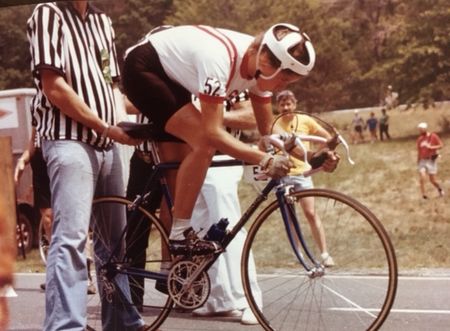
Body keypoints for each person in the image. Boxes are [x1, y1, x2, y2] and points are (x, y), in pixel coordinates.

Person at [122, 23, 338, 250]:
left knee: (201, 144)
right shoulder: (219, 60)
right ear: (266, 63)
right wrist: (263, 158)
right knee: (204, 143)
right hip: (143, 68)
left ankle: (175, 260)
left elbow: (269, 132)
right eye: (283, 81)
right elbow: (213, 133)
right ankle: (179, 231)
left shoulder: (259, 67)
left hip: (173, 75)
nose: (280, 88)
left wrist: (311, 156)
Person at [27, 2, 148, 330]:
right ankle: (65, 325)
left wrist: (161, 114)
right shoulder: (48, 13)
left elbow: (113, 87)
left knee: (114, 242)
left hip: (107, 142)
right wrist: (105, 126)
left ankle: (121, 319)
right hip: (70, 140)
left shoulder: (102, 21)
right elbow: (53, 87)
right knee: (72, 238)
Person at [190, 91, 261, 325]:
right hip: (192, 159)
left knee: (229, 228)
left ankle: (248, 300)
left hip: (222, 159)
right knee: (201, 230)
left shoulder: (226, 77)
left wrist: (216, 117)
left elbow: (251, 116)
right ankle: (218, 298)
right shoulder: (182, 73)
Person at [14, 128, 97, 295]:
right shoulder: (37, 109)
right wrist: (23, 160)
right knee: (48, 221)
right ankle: (56, 274)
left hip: (60, 159)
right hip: (41, 170)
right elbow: (33, 142)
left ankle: (85, 274)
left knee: (74, 220)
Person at [275, 90, 335, 267]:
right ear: (278, 106)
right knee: (290, 217)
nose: (286, 107)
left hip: (303, 174)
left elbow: (326, 137)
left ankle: (324, 254)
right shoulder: (275, 123)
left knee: (310, 213)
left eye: (289, 104)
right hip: (284, 175)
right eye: (282, 104)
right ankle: (298, 254)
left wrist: (322, 153)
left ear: (295, 104)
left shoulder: (305, 120)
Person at [416, 122, 444, 199]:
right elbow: (419, 151)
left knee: (433, 180)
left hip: (431, 160)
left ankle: (439, 189)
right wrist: (418, 160)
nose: (420, 131)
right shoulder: (419, 140)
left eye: (421, 130)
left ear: (425, 129)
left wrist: (431, 147)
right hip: (422, 160)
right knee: (422, 177)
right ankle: (424, 195)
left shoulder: (433, 136)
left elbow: (441, 145)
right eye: (419, 130)